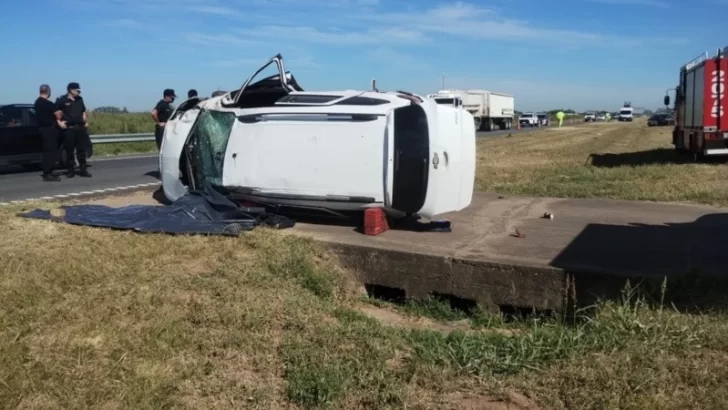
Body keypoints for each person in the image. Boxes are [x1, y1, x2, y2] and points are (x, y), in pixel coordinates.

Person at [55, 82, 91, 178]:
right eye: (77, 90)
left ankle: (83, 169)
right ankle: (70, 170)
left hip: (80, 128)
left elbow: (83, 110)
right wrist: (59, 122)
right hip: (69, 129)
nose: (79, 92)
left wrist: (85, 119)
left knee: (81, 150)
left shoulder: (80, 99)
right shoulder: (62, 100)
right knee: (69, 150)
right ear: (71, 90)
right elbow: (55, 112)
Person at [33, 84, 63, 182]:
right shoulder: (48, 103)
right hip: (50, 129)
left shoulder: (37, 103)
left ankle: (48, 171)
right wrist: (58, 107)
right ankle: (48, 173)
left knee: (46, 151)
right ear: (48, 91)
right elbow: (59, 115)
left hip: (42, 129)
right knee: (51, 152)